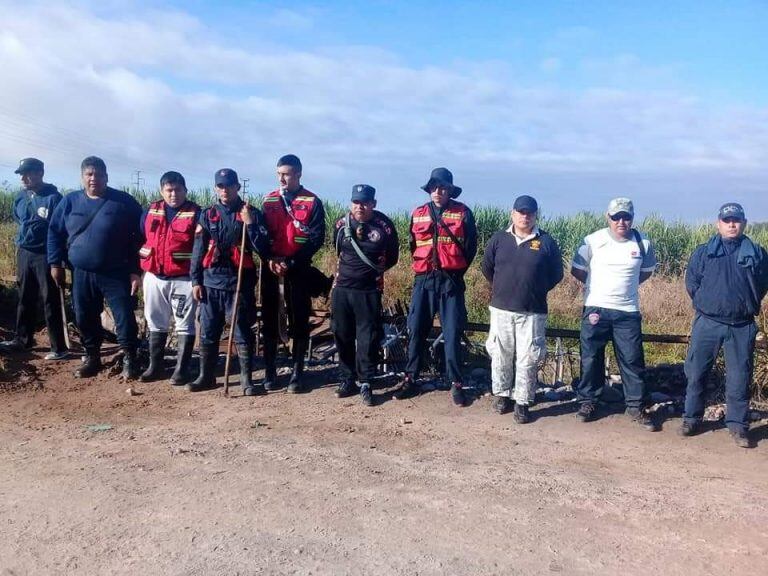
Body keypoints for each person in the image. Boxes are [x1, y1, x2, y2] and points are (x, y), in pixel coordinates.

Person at [680, 203, 768, 448]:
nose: (732, 224)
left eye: (736, 220)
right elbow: (692, 283)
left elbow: (761, 285)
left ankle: (738, 426)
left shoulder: (757, 253)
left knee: (740, 377)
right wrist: (707, 303)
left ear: (744, 223)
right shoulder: (704, 252)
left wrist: (744, 304)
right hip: (707, 323)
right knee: (696, 373)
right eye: (727, 220)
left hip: (741, 326)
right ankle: (691, 419)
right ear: (718, 223)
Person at [47, 156, 143, 379]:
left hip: (116, 273)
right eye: (89, 174)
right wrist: (55, 263)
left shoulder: (123, 202)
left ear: (106, 177)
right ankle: (92, 357)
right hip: (81, 273)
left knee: (124, 317)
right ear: (82, 178)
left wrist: (135, 269)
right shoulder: (70, 202)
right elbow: (54, 232)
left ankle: (130, 357)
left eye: (98, 174)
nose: (94, 179)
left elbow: (141, 235)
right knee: (84, 316)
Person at [570, 197, 658, 430]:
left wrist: (625, 290)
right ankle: (588, 401)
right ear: (607, 217)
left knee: (632, 360)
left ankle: (636, 406)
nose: (621, 221)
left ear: (632, 218)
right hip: (596, 308)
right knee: (590, 358)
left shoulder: (643, 243)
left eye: (626, 217)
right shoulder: (592, 240)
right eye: (616, 216)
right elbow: (577, 269)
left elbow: (646, 272)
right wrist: (596, 288)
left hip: (627, 311)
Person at [393, 167, 477, 406]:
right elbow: (412, 245)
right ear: (429, 189)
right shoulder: (418, 213)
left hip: (451, 280)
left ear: (450, 190)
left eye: (443, 188)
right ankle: (411, 378)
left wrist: (455, 271)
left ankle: (456, 383)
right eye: (434, 187)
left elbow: (470, 248)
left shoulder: (463, 213)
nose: (438, 191)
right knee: (416, 330)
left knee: (452, 333)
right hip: (424, 280)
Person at [482, 195, 563, 423]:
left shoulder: (546, 242)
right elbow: (487, 268)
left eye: (529, 212)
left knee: (528, 358)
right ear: (513, 213)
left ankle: (523, 402)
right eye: (520, 212)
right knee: (500, 354)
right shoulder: (499, 239)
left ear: (536, 215)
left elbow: (556, 274)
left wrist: (534, 289)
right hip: (501, 309)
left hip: (533, 311)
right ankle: (502, 395)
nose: (524, 216)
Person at [188, 168, 270, 395]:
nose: (225, 190)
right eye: (220, 186)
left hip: (239, 283)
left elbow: (263, 248)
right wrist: (195, 280)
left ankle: (246, 380)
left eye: (229, 185)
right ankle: (206, 377)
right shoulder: (207, 215)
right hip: (211, 283)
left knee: (243, 331)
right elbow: (198, 249)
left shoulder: (250, 212)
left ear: (237, 187)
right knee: (208, 331)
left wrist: (250, 224)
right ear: (216, 188)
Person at [260, 154, 326, 393]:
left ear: (298, 174)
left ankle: (298, 372)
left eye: (286, 174)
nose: (281, 179)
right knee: (269, 319)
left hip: (298, 270)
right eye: (278, 174)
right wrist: (269, 258)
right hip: (271, 269)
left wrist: (292, 261)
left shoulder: (312, 202)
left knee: (299, 319)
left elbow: (317, 237)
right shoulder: (268, 200)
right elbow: (261, 233)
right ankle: (269, 371)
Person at [331, 185, 399, 406]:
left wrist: (372, 274)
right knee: (342, 334)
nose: (360, 206)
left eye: (365, 202)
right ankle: (346, 378)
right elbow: (337, 249)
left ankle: (366, 382)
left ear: (374, 204)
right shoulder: (341, 224)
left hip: (369, 291)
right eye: (356, 202)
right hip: (342, 289)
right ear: (351, 203)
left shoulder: (385, 226)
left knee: (367, 338)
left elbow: (392, 257)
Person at [0, 158, 68, 360]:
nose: (23, 177)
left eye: (27, 173)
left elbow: (60, 230)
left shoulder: (54, 198)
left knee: (50, 299)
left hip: (45, 254)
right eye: (21, 174)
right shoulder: (21, 197)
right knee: (24, 296)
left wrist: (57, 260)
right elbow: (20, 220)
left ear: (40, 173)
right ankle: (23, 339)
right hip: (24, 252)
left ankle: (59, 347)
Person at [137, 171, 201, 385]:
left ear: (185, 190)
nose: (173, 194)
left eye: (178, 190)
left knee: (184, 323)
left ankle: (181, 370)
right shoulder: (150, 210)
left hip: (183, 278)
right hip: (154, 276)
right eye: (169, 190)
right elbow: (141, 236)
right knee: (155, 321)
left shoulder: (196, 213)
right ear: (162, 191)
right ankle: (155, 367)